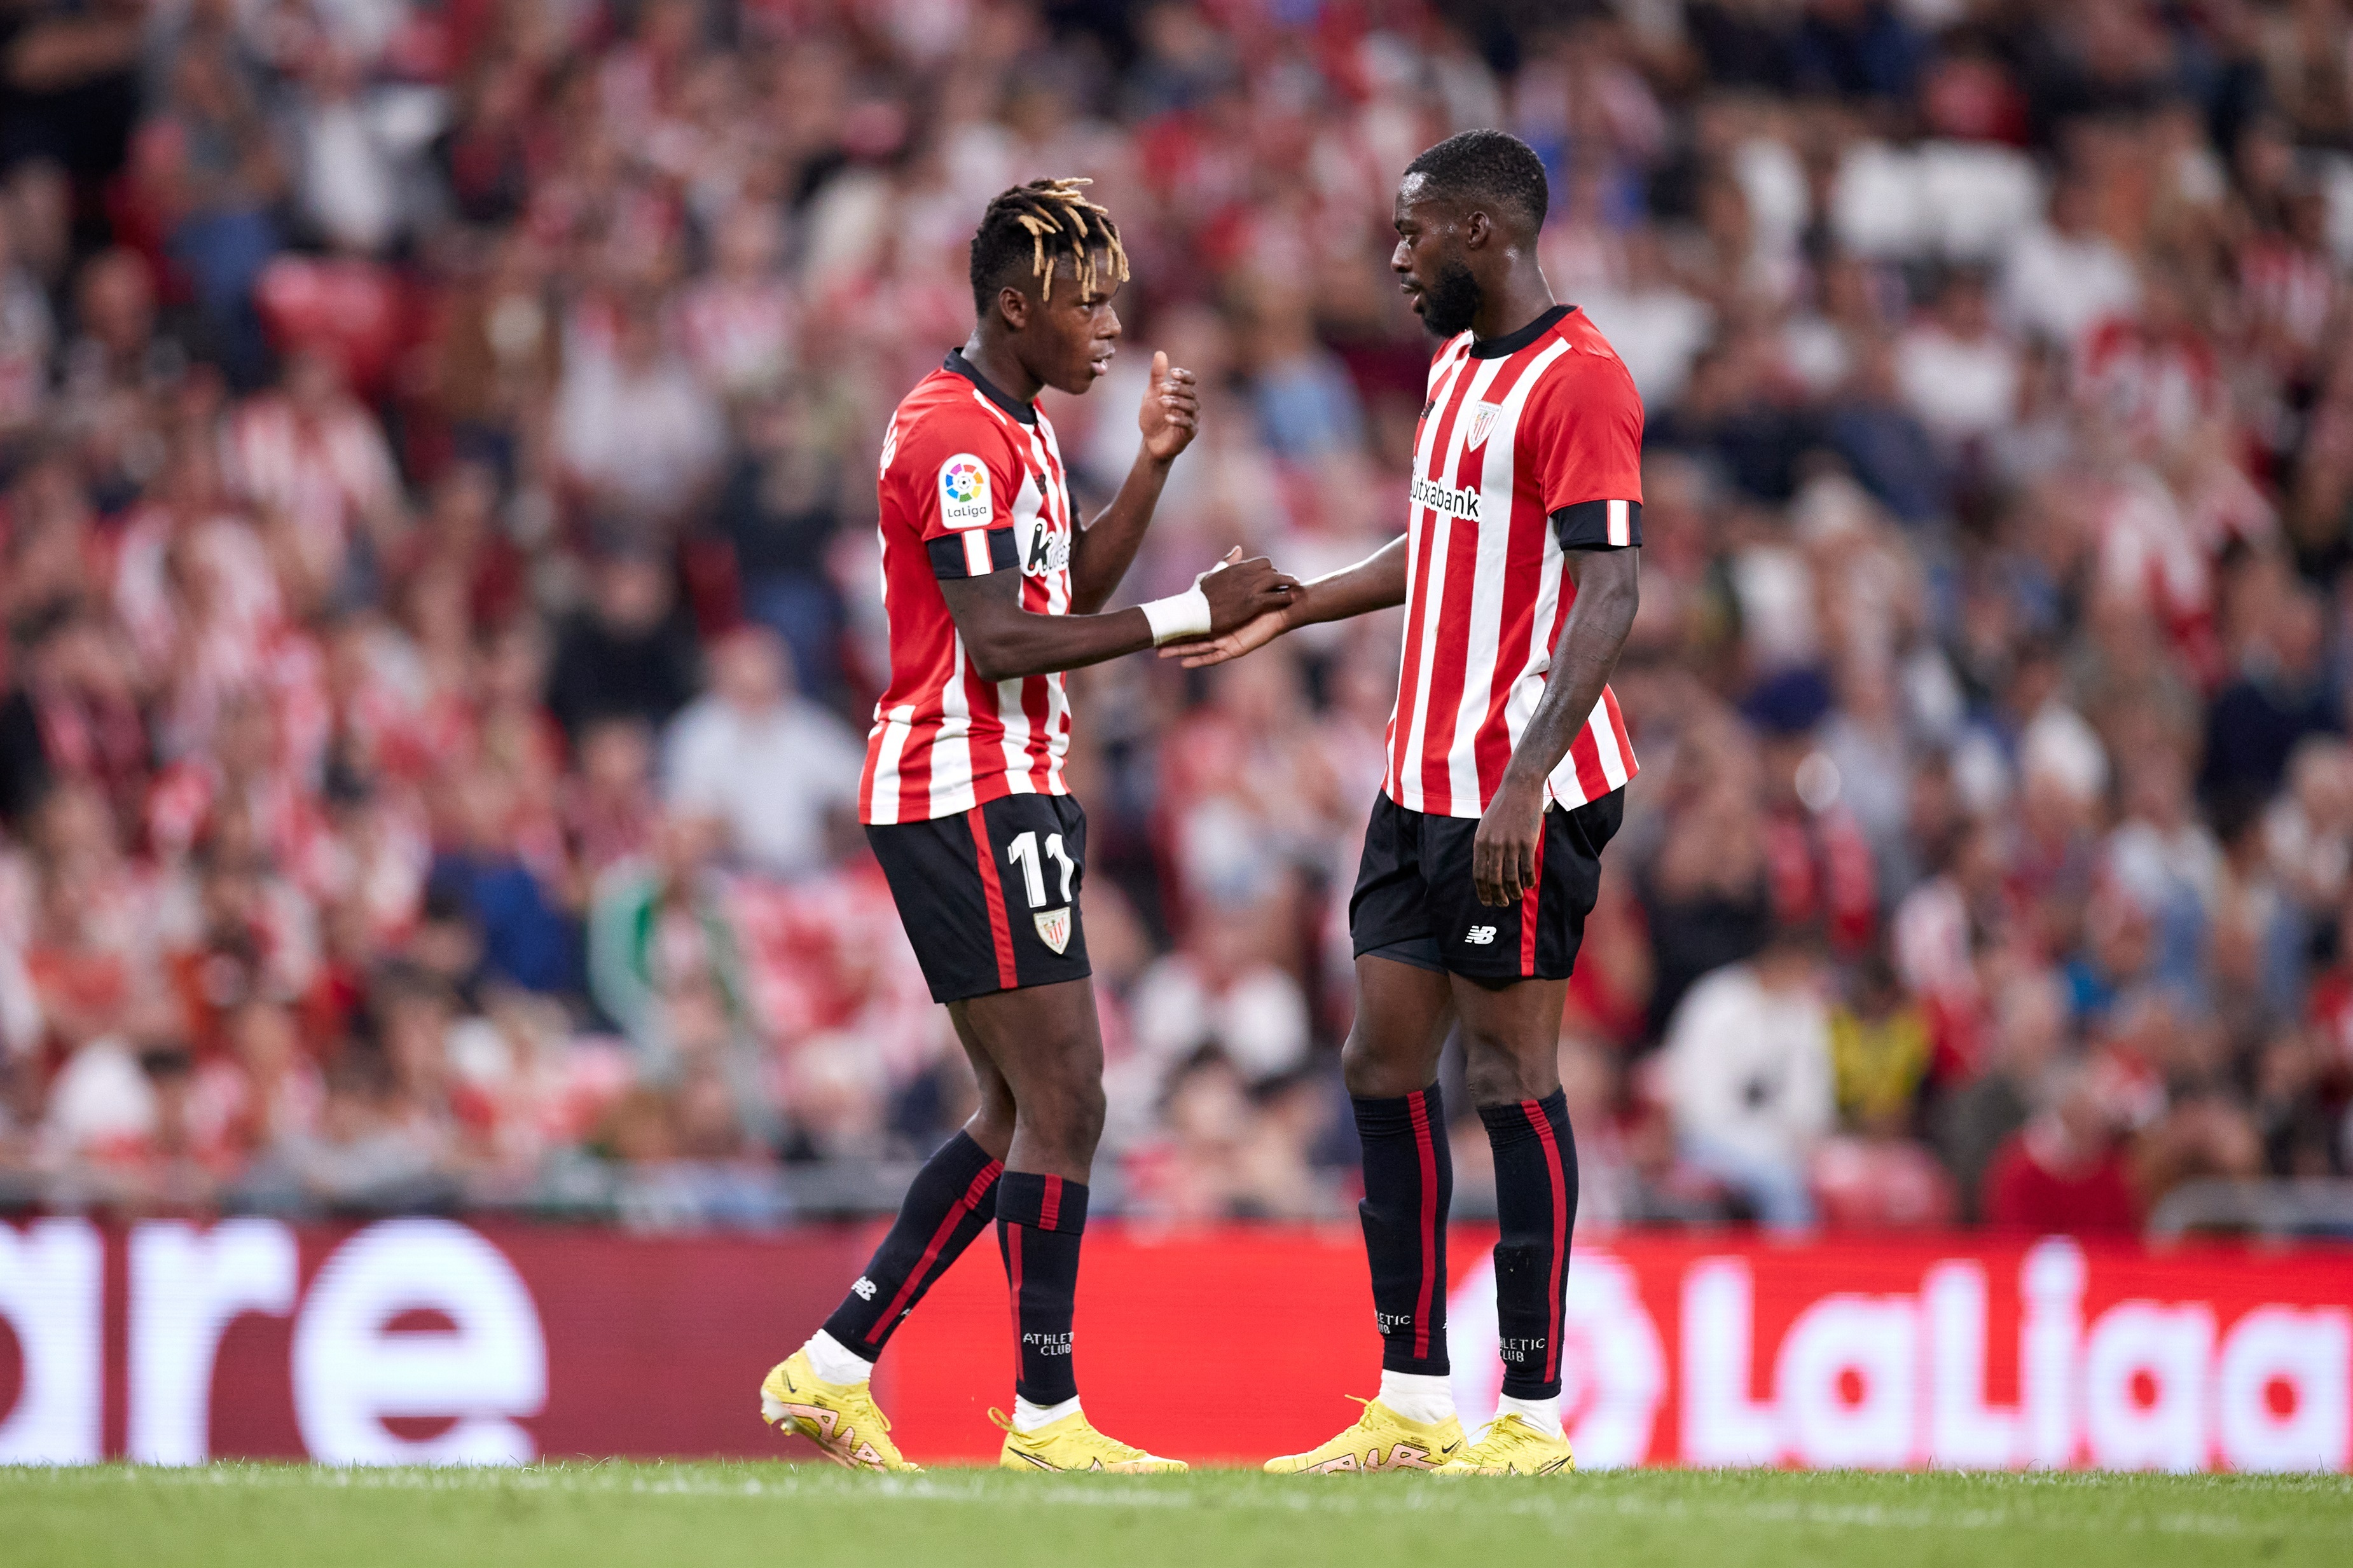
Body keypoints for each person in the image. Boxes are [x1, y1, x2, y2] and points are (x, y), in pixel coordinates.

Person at [758, 177, 1294, 1475]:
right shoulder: (954, 434)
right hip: (963, 783)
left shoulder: (1020, 422)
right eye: (1086, 301)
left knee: (1016, 1105)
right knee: (1066, 1094)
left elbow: (1061, 590)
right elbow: (1000, 642)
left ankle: (831, 1367)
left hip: (1002, 781)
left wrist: (1154, 474)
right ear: (1013, 306)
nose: (1109, 324)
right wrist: (1190, 615)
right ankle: (1046, 1419)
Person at [1170, 131, 1643, 1476]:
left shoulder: (1581, 382)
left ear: (1482, 234)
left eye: (1411, 232)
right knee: (1379, 1061)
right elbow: (1445, 541)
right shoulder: (1450, 367)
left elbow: (1609, 590)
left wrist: (1522, 778)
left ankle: (1533, 1416)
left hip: (1515, 792)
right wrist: (1298, 605)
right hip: (1414, 781)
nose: (1394, 256)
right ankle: (1411, 1395)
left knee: (1508, 1077)